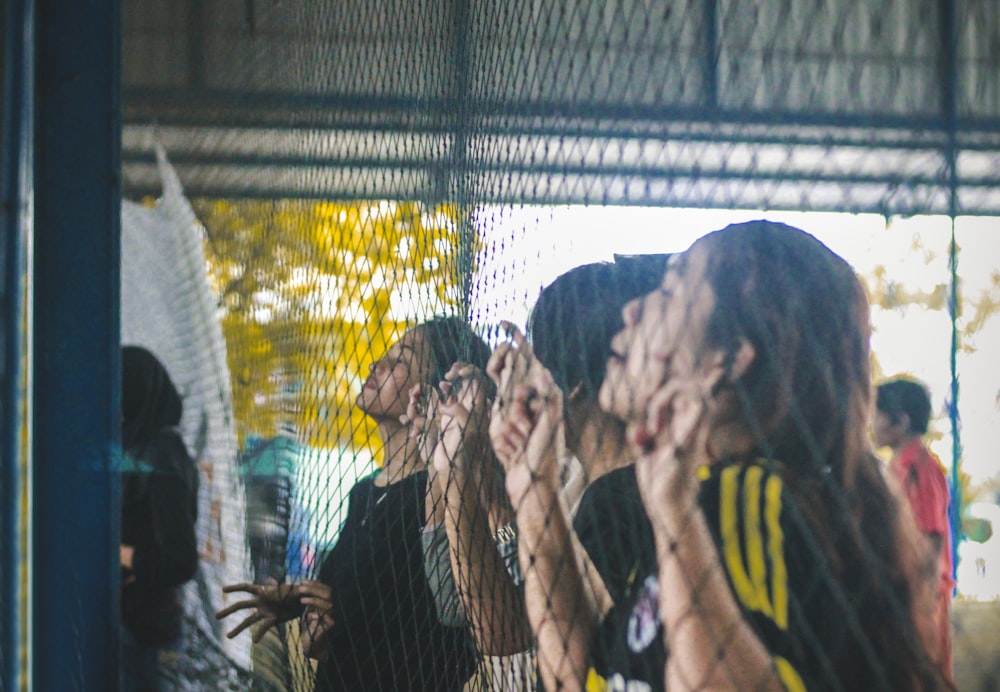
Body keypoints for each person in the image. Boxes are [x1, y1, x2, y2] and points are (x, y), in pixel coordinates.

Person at [491, 220, 948, 691]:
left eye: (669, 292)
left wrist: (677, 518)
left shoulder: (748, 502)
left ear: (727, 359)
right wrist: (534, 492)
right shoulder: (711, 505)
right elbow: (588, 679)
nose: (632, 312)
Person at [215, 317, 482, 692]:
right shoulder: (364, 492)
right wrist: (303, 609)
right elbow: (362, 605)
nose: (377, 366)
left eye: (401, 360)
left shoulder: (443, 493)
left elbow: (449, 612)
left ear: (436, 391)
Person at [120, 345, 200, 691]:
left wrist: (120, 554)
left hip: (145, 638)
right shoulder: (138, 446)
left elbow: (180, 561)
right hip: (132, 629)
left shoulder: (163, 452)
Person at [875, 377, 955, 682]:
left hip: (923, 594)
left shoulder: (919, 469)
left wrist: (921, 605)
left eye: (877, 415)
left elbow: (930, 541)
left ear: (900, 421)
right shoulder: (897, 469)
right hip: (904, 594)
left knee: (927, 673)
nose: (873, 424)